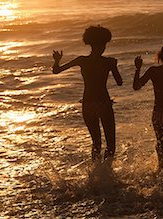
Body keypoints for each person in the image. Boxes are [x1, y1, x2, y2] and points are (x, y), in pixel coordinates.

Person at [52, 26, 123, 162]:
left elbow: (56, 71)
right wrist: (114, 67)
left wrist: (57, 60)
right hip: (104, 103)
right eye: (103, 44)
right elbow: (119, 82)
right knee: (111, 144)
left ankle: (96, 174)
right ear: (101, 44)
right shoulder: (109, 62)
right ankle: (106, 173)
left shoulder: (82, 60)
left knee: (96, 143)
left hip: (88, 104)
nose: (104, 47)